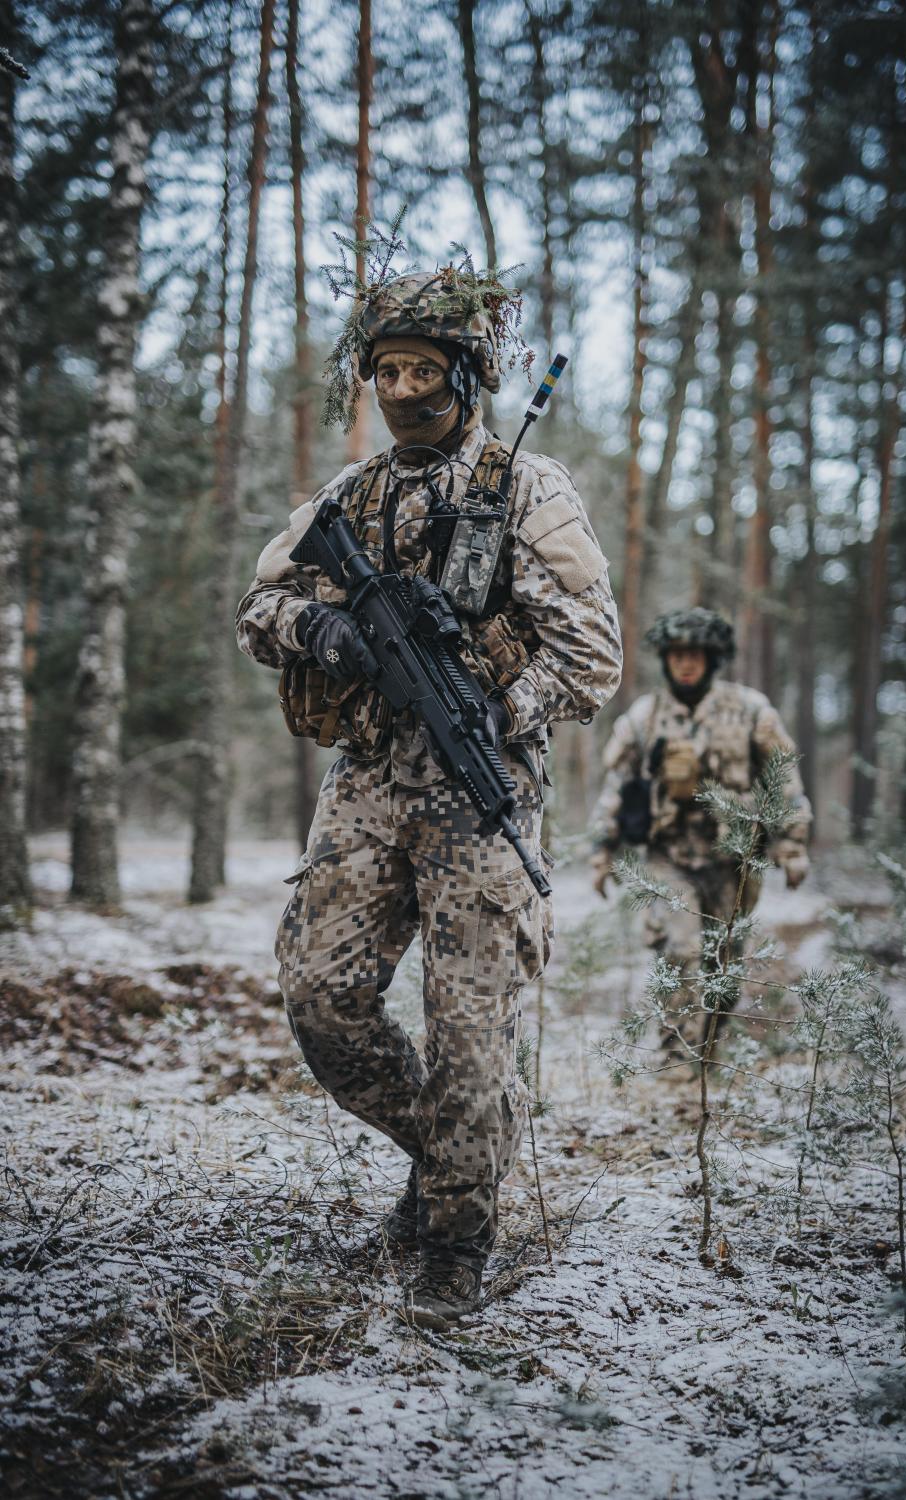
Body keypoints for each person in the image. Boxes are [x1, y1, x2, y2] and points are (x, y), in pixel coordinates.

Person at [236, 270, 622, 1328]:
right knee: (322, 999)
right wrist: (320, 630)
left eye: (422, 369)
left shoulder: (524, 488)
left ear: (465, 374)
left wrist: (510, 702)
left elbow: (593, 653)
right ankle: (447, 1153)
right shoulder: (346, 500)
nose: (403, 388)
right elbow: (257, 603)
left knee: (469, 1030)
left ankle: (452, 1241)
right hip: (365, 779)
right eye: (386, 371)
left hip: (478, 784)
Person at [590, 608, 810, 1049]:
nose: (686, 663)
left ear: (713, 658)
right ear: (666, 659)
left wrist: (792, 845)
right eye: (677, 655)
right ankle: (675, 1050)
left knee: (724, 962)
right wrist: (602, 851)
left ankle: (708, 1047)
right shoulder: (644, 717)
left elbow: (783, 779)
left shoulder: (750, 711)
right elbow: (617, 786)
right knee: (679, 948)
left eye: (696, 654)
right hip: (667, 856)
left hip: (733, 859)